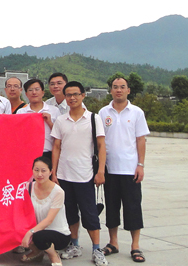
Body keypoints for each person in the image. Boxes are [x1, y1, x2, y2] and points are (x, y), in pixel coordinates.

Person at [51, 81, 107, 266]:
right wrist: (54, 172)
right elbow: (56, 147)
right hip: (64, 175)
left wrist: (100, 171)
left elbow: (101, 146)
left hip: (85, 175)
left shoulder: (93, 118)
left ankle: (97, 249)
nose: (72, 98)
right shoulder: (61, 120)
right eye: (68, 95)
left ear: (83, 95)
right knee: (70, 213)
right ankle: (74, 245)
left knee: (90, 214)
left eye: (75, 94)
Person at [99, 76, 149, 263]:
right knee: (111, 207)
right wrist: (100, 169)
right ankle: (113, 242)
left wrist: (140, 165)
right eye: (115, 87)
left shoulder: (136, 112)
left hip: (130, 169)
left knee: (133, 207)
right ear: (110, 90)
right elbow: (99, 141)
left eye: (122, 87)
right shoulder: (103, 112)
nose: (118, 90)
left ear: (128, 90)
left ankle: (135, 245)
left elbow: (140, 140)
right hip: (110, 169)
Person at [20, 156, 71, 266]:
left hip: (58, 233)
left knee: (39, 237)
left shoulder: (58, 192)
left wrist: (30, 232)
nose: (39, 174)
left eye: (43, 171)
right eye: (36, 170)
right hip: (37, 229)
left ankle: (53, 255)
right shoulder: (28, 187)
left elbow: (49, 220)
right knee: (17, 229)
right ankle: (37, 252)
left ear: (50, 172)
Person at [17, 79, 60, 159]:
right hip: (27, 153)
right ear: (26, 94)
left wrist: (49, 122)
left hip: (48, 153)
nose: (34, 92)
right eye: (30, 90)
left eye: (37, 89)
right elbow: (18, 135)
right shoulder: (21, 112)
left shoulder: (54, 110)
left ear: (43, 92)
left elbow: (60, 134)